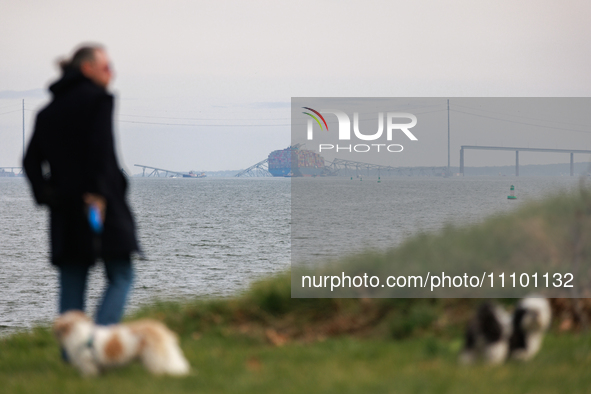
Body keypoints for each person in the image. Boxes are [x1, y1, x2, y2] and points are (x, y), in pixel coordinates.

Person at [23, 44, 139, 326]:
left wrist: (49, 196)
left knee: (72, 283)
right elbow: (101, 150)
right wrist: (101, 192)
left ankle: (71, 356)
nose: (112, 73)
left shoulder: (47, 111)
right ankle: (99, 342)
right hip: (97, 208)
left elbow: (29, 161)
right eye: (107, 67)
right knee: (121, 273)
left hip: (65, 211)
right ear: (87, 68)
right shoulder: (98, 100)